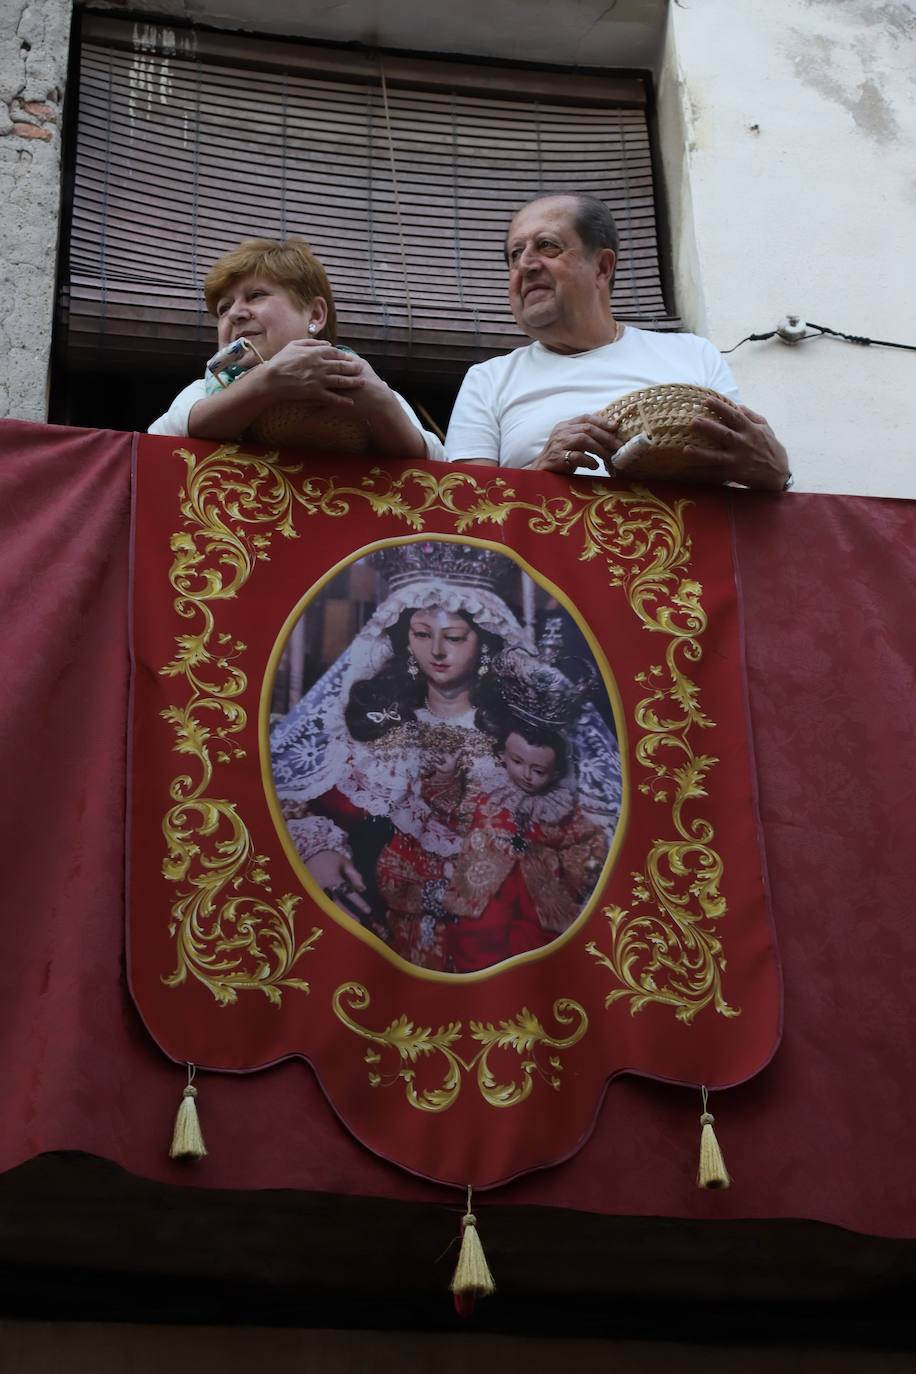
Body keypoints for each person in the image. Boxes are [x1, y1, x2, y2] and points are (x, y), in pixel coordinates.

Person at [269, 541, 621, 972]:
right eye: (422, 634)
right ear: (403, 636)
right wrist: (315, 850)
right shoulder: (374, 720)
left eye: (454, 637)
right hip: (382, 932)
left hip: (504, 935)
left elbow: (592, 825)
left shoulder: (525, 733)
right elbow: (288, 796)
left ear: (486, 639)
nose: (437, 651)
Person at [444, 192, 792, 489]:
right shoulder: (487, 380)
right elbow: (466, 515)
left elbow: (743, 473)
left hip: (685, 561)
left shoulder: (692, 353)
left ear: (602, 268)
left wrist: (776, 474)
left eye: (546, 246)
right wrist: (539, 471)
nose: (526, 265)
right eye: (514, 254)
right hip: (543, 566)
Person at [149, 236, 443, 461]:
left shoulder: (360, 379)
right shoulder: (206, 389)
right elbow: (159, 443)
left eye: (256, 295)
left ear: (314, 315)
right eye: (224, 308)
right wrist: (268, 381)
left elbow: (435, 464)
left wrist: (380, 404)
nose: (236, 313)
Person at [438, 652, 611, 974]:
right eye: (517, 762)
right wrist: (447, 777)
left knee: (534, 956)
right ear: (502, 753)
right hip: (482, 891)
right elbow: (453, 812)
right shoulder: (486, 789)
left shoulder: (560, 807)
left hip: (538, 899)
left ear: (557, 771)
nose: (526, 775)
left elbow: (586, 841)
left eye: (538, 770)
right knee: (474, 946)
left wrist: (569, 873)